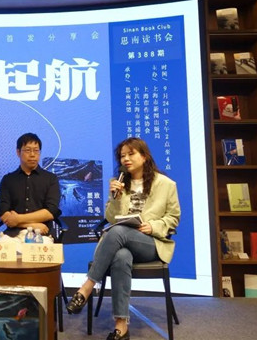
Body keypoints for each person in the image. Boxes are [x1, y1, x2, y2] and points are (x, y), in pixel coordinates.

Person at [66, 137, 181, 340]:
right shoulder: (119, 184)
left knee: (117, 232)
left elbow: (173, 217)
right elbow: (111, 218)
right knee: (121, 256)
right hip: (122, 242)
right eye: (122, 156)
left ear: (144, 157)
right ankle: (121, 326)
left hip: (150, 243)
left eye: (131, 154)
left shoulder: (166, 184)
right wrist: (115, 198)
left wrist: (153, 226)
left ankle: (87, 287)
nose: (125, 159)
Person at [0, 133, 61, 244]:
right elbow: (3, 212)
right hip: (12, 235)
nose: (32, 155)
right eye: (28, 150)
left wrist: (18, 219)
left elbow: (50, 212)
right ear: (18, 152)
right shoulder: (8, 179)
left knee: (44, 251)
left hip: (41, 235)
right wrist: (32, 225)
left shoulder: (51, 179)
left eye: (36, 150)